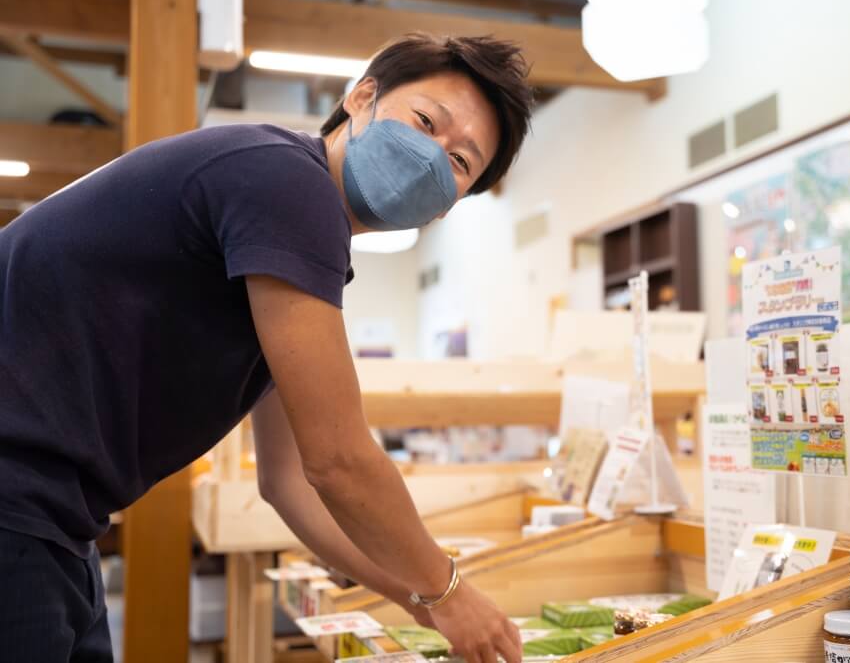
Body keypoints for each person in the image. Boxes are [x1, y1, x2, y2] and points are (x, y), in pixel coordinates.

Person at [0, 33, 534, 663]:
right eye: (424, 121)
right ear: (361, 97)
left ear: (447, 208)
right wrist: (448, 591)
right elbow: (338, 460)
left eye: (459, 162)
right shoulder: (288, 183)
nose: (431, 156)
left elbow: (291, 484)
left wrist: (415, 596)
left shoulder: (290, 247)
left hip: (55, 518)